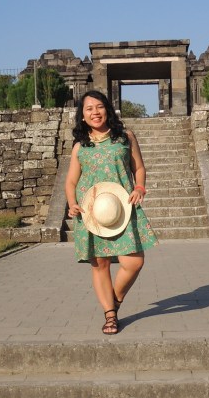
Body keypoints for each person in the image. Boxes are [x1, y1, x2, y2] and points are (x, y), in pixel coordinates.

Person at [65, 90, 158, 334]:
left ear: (107, 109)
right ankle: (109, 315)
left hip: (122, 207)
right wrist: (71, 203)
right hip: (92, 211)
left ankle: (114, 300)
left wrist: (139, 187)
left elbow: (139, 167)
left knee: (134, 262)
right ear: (82, 116)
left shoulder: (125, 137)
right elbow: (71, 182)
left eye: (99, 107)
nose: (95, 112)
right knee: (100, 264)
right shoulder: (79, 146)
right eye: (88, 109)